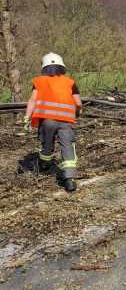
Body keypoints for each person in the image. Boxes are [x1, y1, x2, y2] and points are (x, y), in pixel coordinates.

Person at [24, 53, 82, 192]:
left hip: (46, 120)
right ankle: (70, 180)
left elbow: (32, 100)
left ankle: (45, 165)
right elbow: (78, 103)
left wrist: (27, 118)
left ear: (44, 67)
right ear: (61, 66)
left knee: (46, 143)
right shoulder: (70, 82)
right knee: (68, 146)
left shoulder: (38, 81)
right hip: (67, 120)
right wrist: (77, 112)